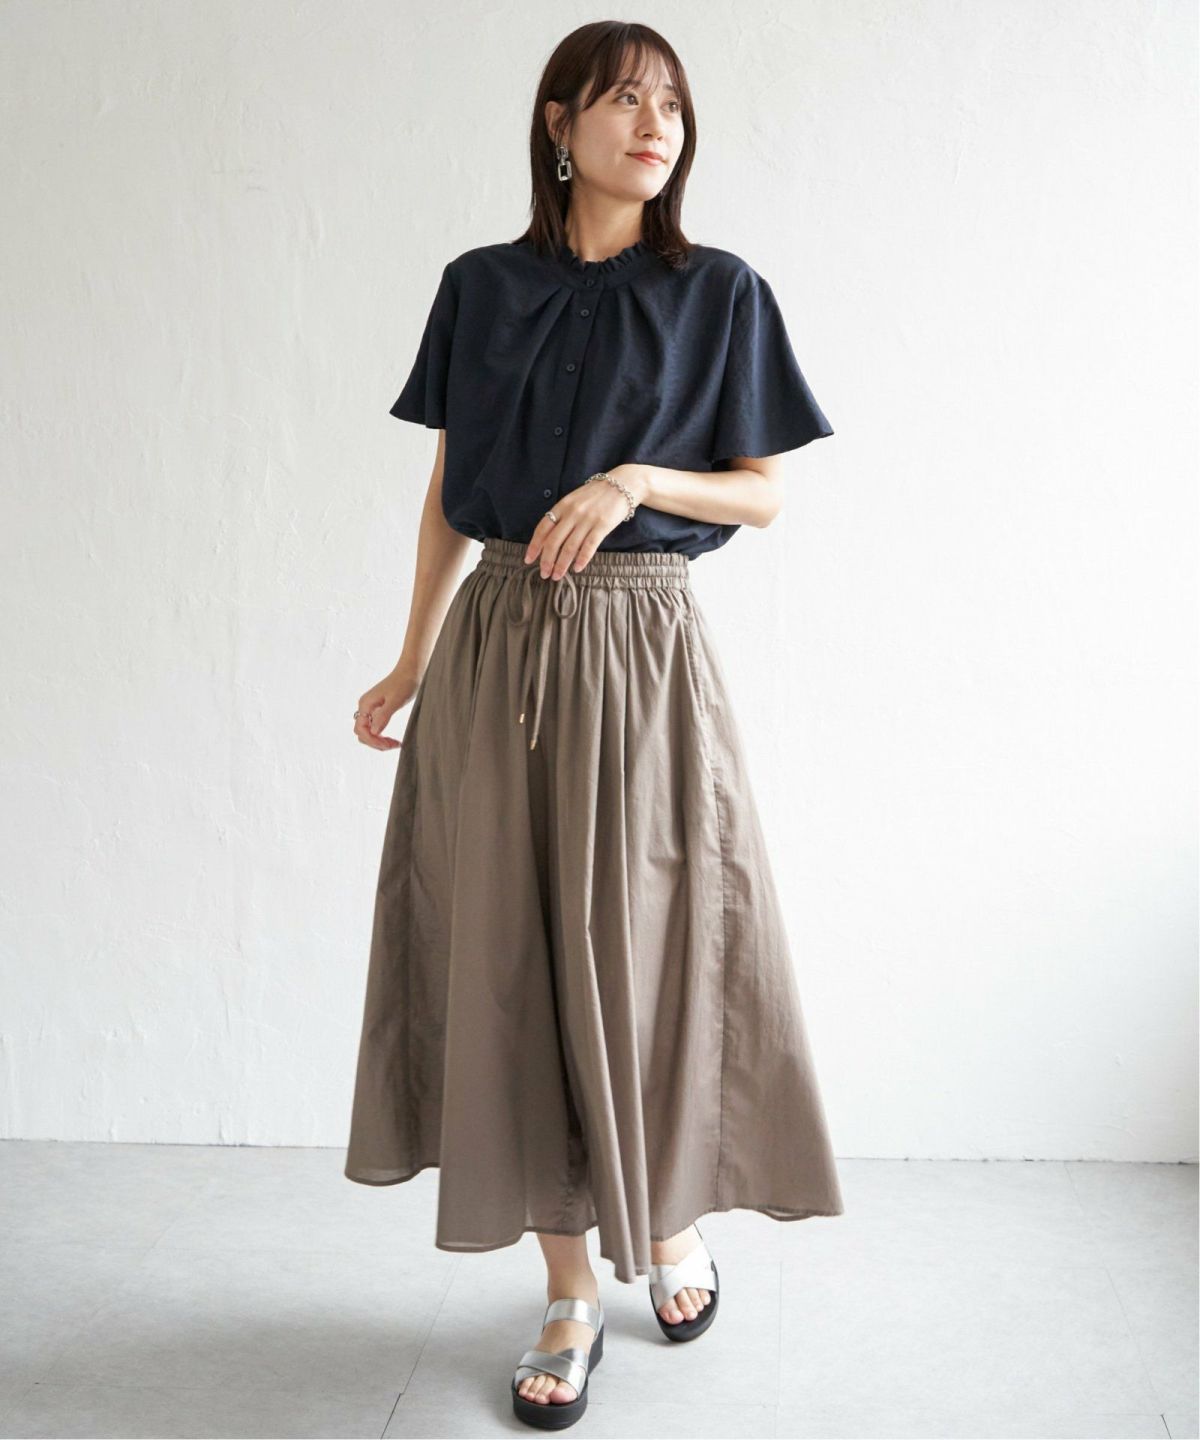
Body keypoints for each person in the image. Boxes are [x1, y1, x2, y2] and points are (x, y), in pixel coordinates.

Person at [343, 19, 845, 1430]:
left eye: (672, 103)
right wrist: (410, 656)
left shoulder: (720, 291)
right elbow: (451, 488)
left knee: (650, 949)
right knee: (511, 960)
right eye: (625, 99)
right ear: (559, 123)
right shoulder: (479, 287)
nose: (655, 125)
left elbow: (763, 492)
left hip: (642, 649)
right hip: (499, 637)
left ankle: (669, 1222)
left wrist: (636, 479)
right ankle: (569, 1289)